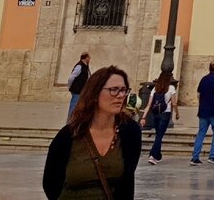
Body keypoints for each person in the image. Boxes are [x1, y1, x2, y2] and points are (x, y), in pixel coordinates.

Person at [43, 65, 142, 200]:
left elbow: (127, 181)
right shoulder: (69, 135)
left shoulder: (130, 131)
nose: (120, 96)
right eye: (114, 90)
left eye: (123, 90)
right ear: (95, 94)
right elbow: (51, 183)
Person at [191, 61, 214, 165]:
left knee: (201, 133)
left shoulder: (204, 79)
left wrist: (202, 104)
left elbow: (198, 94)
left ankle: (195, 157)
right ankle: (213, 156)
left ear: (209, 68)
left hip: (203, 111)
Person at [140, 72, 175, 165]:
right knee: (159, 136)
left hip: (155, 114)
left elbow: (149, 104)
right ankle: (153, 155)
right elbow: (174, 103)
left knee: (158, 135)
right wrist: (177, 113)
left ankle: (158, 155)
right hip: (165, 113)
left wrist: (143, 117)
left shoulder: (155, 88)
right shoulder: (171, 88)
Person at [65, 53, 90, 121]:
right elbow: (71, 77)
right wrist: (69, 86)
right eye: (89, 58)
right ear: (86, 58)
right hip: (77, 90)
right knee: (74, 105)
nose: (89, 59)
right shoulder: (79, 66)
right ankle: (69, 121)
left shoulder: (85, 66)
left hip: (82, 90)